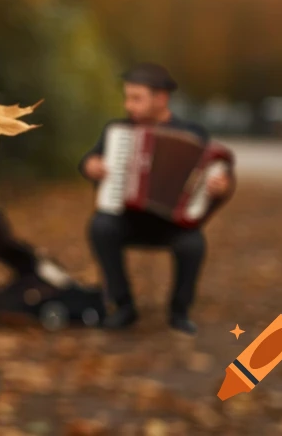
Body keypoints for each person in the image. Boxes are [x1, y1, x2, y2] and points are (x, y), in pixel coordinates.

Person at [79, 62, 235, 335]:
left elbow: (218, 177)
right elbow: (90, 161)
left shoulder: (192, 134)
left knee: (193, 244)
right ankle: (123, 305)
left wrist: (221, 186)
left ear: (161, 98)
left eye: (136, 98)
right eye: (127, 97)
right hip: (128, 218)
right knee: (100, 227)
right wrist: (91, 165)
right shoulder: (117, 131)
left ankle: (179, 311)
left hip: (173, 223)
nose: (129, 105)